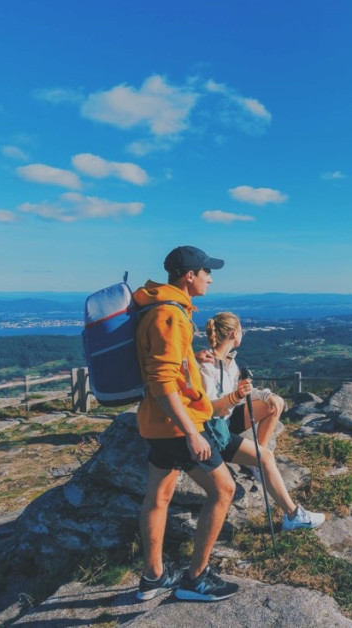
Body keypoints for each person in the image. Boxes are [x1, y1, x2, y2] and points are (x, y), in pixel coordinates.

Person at [134, 245, 324, 604]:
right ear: (189, 275)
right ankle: (196, 579)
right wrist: (192, 432)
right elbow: (162, 381)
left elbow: (165, 368)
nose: (210, 277)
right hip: (181, 424)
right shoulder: (172, 315)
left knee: (157, 497)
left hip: (155, 423)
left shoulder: (157, 307)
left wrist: (192, 356)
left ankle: (152, 577)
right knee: (223, 491)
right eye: (206, 271)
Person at [199, 312, 285, 457]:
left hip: (228, 417)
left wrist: (266, 395)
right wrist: (236, 396)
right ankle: (257, 458)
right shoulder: (206, 365)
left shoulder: (230, 362)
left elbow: (240, 392)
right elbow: (209, 409)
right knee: (273, 402)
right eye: (241, 330)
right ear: (234, 334)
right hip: (215, 426)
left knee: (276, 402)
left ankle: (258, 455)